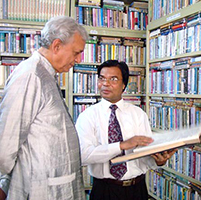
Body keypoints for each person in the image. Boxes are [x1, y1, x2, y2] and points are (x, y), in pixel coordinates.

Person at [0, 16, 88, 200]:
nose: (78, 59)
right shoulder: (30, 75)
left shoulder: (45, 73)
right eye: (76, 52)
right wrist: (2, 184)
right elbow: (6, 146)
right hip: (41, 190)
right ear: (56, 46)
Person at [75, 60, 177, 200]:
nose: (105, 83)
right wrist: (121, 145)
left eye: (113, 79)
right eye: (102, 78)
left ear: (124, 85)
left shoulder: (138, 114)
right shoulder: (87, 116)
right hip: (104, 190)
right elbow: (83, 155)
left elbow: (146, 157)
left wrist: (159, 161)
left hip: (137, 189)